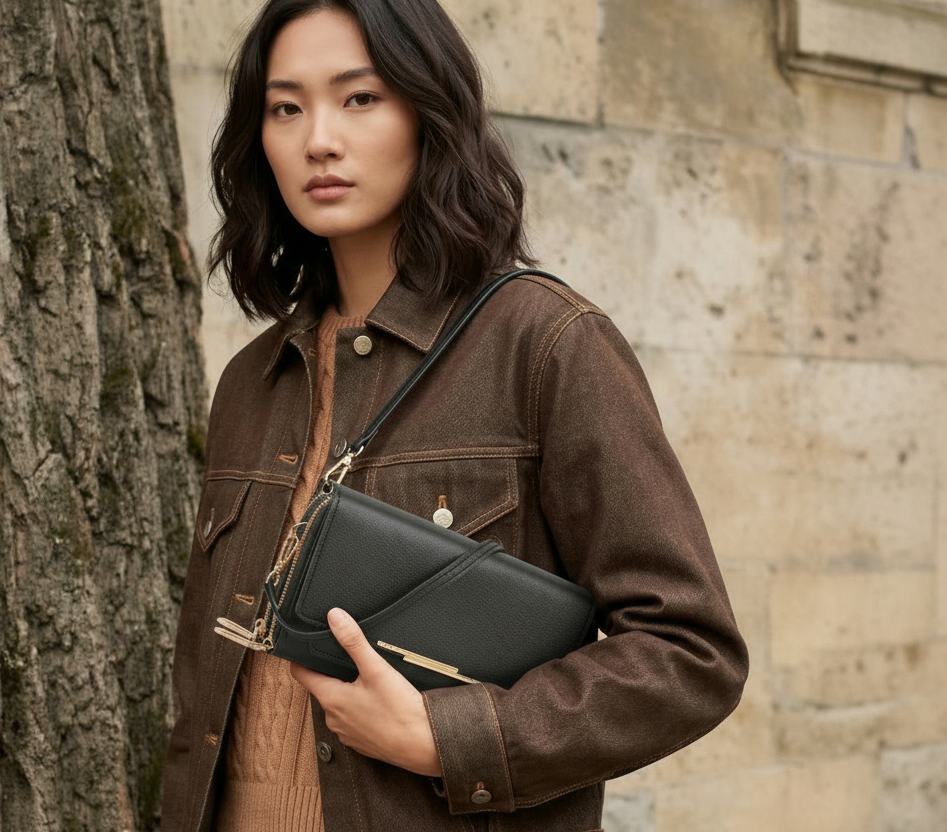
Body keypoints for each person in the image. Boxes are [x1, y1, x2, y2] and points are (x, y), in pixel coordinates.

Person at [161, 0, 748, 829]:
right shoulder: (252, 382)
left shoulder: (547, 346)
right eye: (285, 107)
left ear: (429, 111)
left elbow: (692, 655)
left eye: (359, 98)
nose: (317, 139)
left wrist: (455, 738)